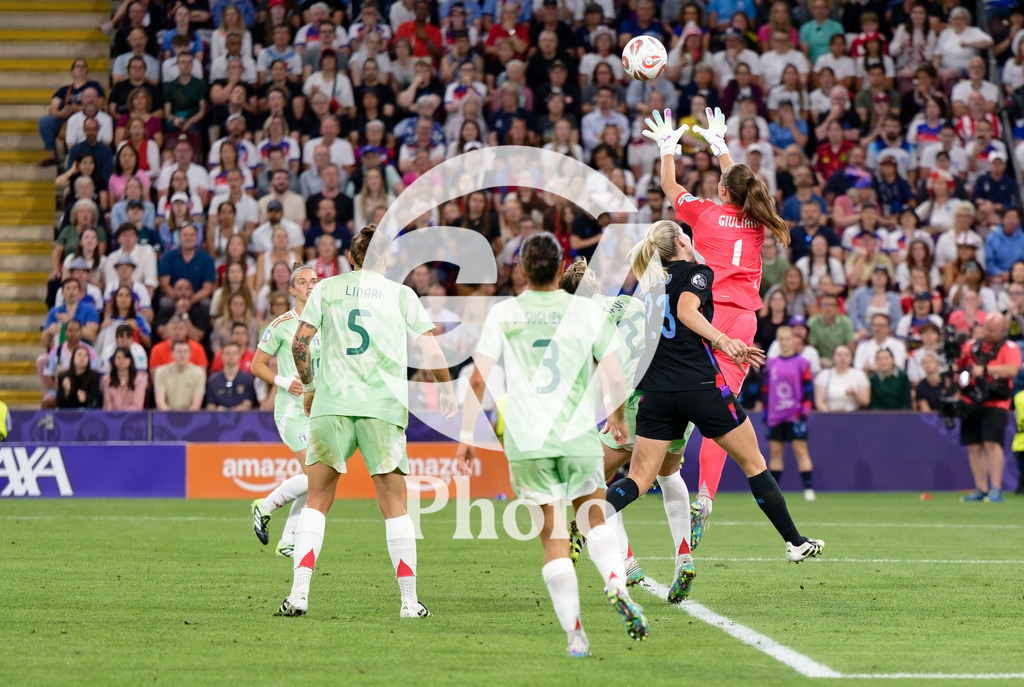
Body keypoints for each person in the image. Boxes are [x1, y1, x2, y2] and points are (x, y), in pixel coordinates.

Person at [456, 234, 649, 656]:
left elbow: (477, 378)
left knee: (554, 538)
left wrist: (468, 436)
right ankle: (617, 585)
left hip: (528, 442)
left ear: (522, 269)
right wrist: (617, 418)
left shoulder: (504, 312)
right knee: (595, 520)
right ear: (561, 269)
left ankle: (576, 634)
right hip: (578, 434)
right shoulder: (584, 311)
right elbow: (614, 374)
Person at [599, 220, 823, 568]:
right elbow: (687, 310)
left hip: (657, 392)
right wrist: (724, 340)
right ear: (681, 241)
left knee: (640, 478)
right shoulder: (697, 272)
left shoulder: (650, 286)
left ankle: (594, 516)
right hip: (700, 386)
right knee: (754, 463)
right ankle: (794, 542)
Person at [276, 225, 457, 619]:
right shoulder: (402, 294)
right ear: (386, 258)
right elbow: (430, 346)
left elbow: (299, 343)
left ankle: (299, 594)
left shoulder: (326, 288)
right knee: (395, 507)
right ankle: (409, 602)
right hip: (384, 408)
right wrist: (446, 389)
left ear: (351, 259)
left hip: (331, 404)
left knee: (318, 501)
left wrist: (309, 386)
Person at [643, 106, 793, 549]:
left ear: (721, 190)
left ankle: (660, 467)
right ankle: (705, 495)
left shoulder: (705, 214)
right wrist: (722, 147)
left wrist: (669, 149)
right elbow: (743, 187)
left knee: (688, 398)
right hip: (741, 322)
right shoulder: (758, 221)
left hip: (701, 318)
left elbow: (670, 186)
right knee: (723, 409)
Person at [558, 257, 694, 599]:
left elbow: (602, 376)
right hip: (679, 390)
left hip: (638, 402)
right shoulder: (631, 302)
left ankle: (627, 563)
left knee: (590, 483)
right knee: (667, 474)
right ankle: (683, 558)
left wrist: (610, 415)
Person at [250, 265, 320, 558]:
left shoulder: (327, 321)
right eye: (303, 282)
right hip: (292, 411)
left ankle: (287, 541)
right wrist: (283, 381)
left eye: (314, 281)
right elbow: (256, 365)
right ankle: (264, 507)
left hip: (319, 409)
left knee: (319, 481)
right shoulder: (281, 324)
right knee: (316, 477)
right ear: (292, 290)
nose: (310, 285)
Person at [957, 313, 1021, 503]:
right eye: (986, 329)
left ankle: (995, 489)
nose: (988, 333)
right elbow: (960, 365)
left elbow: (1012, 369)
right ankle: (980, 488)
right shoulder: (971, 346)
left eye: (993, 331)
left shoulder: (1009, 347)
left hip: (996, 402)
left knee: (992, 444)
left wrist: (986, 370)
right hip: (970, 401)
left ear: (1003, 330)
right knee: (974, 446)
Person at [763, 326, 816, 501]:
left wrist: (805, 412)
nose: (784, 342)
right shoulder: (771, 364)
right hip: (776, 416)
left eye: (788, 338)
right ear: (778, 341)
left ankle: (808, 489)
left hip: (795, 415)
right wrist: (766, 412)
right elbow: (766, 390)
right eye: (781, 339)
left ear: (794, 340)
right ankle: (774, 491)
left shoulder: (802, 363)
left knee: (801, 452)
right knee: (775, 455)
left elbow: (808, 389)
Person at [154, 340, 207, 411]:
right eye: (179, 351)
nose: (182, 355)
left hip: (190, 416)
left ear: (190, 354)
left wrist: (185, 417)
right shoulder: (161, 372)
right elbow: (160, 403)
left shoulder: (199, 373)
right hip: (167, 416)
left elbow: (196, 405)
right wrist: (171, 416)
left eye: (186, 351)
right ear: (172, 354)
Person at [814, 344, 870, 411]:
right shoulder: (823, 375)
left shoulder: (860, 375)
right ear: (833, 357)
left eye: (846, 355)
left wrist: (855, 394)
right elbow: (819, 402)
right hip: (829, 414)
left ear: (851, 358)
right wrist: (829, 414)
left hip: (853, 414)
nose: (842, 357)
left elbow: (865, 402)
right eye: (839, 354)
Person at [205, 342, 257, 410]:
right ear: (222, 356)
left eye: (234, 353)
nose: (231, 356)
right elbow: (210, 405)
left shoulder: (248, 379)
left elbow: (247, 405)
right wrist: (217, 410)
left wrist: (229, 411)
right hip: (218, 419)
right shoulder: (213, 380)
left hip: (242, 419)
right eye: (228, 353)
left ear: (239, 356)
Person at [102, 346, 148, 410]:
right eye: (118, 357)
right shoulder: (107, 380)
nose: (121, 360)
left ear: (130, 360)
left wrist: (122, 414)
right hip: (112, 418)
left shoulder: (139, 379)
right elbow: (108, 406)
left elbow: (138, 406)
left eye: (125, 357)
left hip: (133, 418)